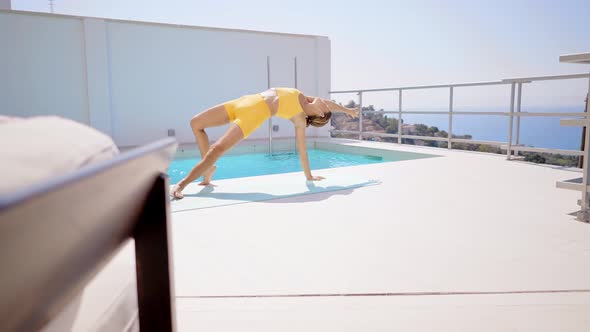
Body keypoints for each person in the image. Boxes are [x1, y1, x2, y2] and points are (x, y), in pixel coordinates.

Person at [171, 87, 359, 199]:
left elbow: (302, 152)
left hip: (253, 115)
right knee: (196, 123)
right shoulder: (304, 98)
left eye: (325, 107)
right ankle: (208, 169)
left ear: (319, 114)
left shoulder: (300, 120)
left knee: (217, 148)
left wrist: (309, 176)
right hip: (243, 102)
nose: (326, 103)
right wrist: (348, 110)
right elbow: (328, 103)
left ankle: (182, 184)